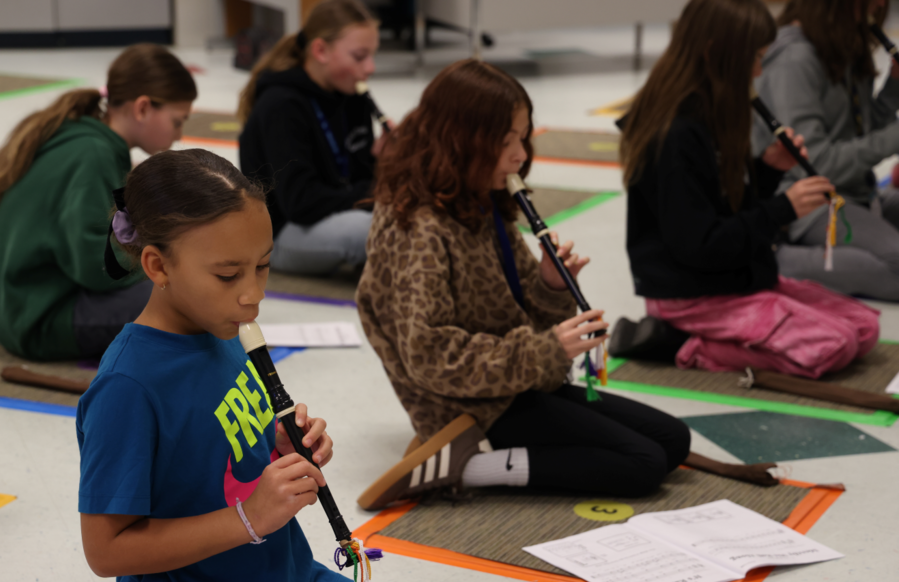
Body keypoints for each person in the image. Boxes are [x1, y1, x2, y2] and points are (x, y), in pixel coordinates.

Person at [77, 148, 478, 582]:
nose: (253, 295)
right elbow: (105, 551)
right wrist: (248, 518)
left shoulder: (221, 329)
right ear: (158, 265)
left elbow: (214, 450)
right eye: (228, 274)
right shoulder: (127, 387)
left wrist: (279, 445)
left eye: (262, 266)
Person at [355, 60, 774, 513]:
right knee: (644, 463)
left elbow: (523, 318)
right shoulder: (418, 227)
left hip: (513, 383)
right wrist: (546, 351)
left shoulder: (480, 199)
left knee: (672, 439)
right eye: (505, 141)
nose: (520, 155)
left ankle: (487, 456)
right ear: (460, 140)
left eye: (523, 137)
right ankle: (468, 468)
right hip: (468, 405)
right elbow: (429, 356)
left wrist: (550, 287)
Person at [616, 0, 879, 379]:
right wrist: (783, 208)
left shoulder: (713, 109)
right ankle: (681, 342)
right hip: (691, 295)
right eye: (754, 59)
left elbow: (722, 203)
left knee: (865, 329)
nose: (758, 72)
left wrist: (767, 170)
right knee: (835, 344)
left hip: (733, 278)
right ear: (713, 53)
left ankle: (715, 333)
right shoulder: (675, 134)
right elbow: (699, 245)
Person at [0, 44, 196, 361]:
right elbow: (97, 267)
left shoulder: (83, 137)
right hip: (40, 320)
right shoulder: (93, 154)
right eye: (177, 121)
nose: (179, 135)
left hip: (23, 308)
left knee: (182, 282)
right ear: (142, 108)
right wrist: (166, 262)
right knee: (186, 293)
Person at [754, 0, 899, 300]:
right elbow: (816, 165)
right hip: (810, 204)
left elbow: (861, 134)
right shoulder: (794, 58)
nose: (880, 5)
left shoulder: (841, 40)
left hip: (857, 192)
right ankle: (775, 261)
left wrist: (894, 87)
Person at [237, 0, 384, 277]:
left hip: (330, 211)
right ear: (320, 51)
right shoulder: (281, 105)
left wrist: (384, 162)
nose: (370, 67)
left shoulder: (353, 95)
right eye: (359, 56)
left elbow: (358, 176)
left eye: (372, 56)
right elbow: (301, 203)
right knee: (378, 229)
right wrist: (377, 193)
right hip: (279, 232)